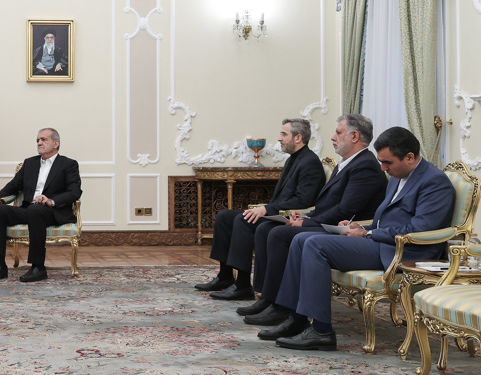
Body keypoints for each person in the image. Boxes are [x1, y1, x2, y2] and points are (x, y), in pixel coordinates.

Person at [264, 127, 455, 351]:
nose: (383, 168)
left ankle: (322, 332)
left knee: (314, 244)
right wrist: (359, 227)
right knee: (301, 239)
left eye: (387, 163)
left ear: (410, 157)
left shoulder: (435, 182)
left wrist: (369, 233)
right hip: (380, 243)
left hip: (403, 253)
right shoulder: (397, 175)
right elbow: (384, 218)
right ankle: (297, 318)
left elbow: (419, 229)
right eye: (381, 162)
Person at [239, 114, 388, 326]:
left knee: (279, 234)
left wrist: (307, 223)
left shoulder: (365, 166)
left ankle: (281, 307)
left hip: (344, 231)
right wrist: (306, 215)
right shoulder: (347, 163)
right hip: (326, 223)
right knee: (266, 228)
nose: (333, 137)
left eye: (338, 132)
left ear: (354, 136)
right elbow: (328, 205)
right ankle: (268, 298)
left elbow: (346, 209)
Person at [195, 118, 326, 300]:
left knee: (244, 220)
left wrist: (267, 209)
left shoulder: (310, 161)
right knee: (225, 216)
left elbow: (303, 200)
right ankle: (225, 277)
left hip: (290, 217)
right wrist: (267, 208)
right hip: (277, 212)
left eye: (283, 134)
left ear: (298, 138)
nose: (279, 138)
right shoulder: (293, 159)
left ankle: (242, 286)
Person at [0, 128, 82, 283]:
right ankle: (0, 265)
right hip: (30, 209)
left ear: (56, 143)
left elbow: (74, 192)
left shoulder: (68, 164)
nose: (39, 143)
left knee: (36, 210)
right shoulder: (30, 163)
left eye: (44, 139)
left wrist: (50, 200)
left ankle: (38, 267)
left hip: (52, 211)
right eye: (38, 140)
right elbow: (12, 186)